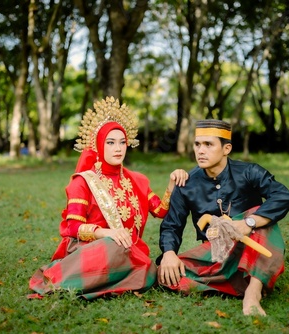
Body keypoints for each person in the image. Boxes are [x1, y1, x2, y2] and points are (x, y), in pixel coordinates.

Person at [29, 96, 188, 300]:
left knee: (137, 262)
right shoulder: (84, 182)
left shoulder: (138, 180)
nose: (118, 148)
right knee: (115, 248)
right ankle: (75, 280)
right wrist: (107, 233)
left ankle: (110, 278)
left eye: (122, 142)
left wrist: (171, 184)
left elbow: (160, 210)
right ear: (98, 145)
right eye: (110, 142)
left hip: (128, 250)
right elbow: (72, 228)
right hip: (92, 247)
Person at [157, 119, 289, 316]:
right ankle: (239, 280)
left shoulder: (249, 172)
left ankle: (253, 292)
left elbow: (283, 196)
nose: (200, 151)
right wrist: (169, 253)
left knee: (261, 218)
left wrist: (249, 222)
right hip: (216, 253)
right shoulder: (186, 183)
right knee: (166, 275)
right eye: (197, 144)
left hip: (253, 246)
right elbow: (171, 225)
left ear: (226, 148)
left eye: (208, 144)